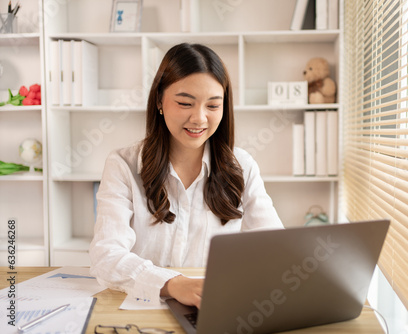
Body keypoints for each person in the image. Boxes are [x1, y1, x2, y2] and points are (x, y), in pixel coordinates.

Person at [89, 43, 283, 309]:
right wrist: (172, 284)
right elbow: (106, 256)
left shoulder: (242, 167)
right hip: (143, 306)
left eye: (213, 106)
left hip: (215, 307)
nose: (199, 118)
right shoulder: (123, 164)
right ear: (159, 100)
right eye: (184, 103)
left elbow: (276, 248)